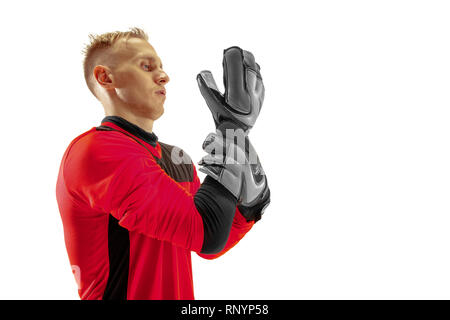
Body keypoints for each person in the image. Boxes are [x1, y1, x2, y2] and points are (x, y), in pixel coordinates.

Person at [55, 27, 270, 300]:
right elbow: (207, 231)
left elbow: (207, 245)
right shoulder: (94, 153)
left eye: (161, 67)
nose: (164, 76)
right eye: (146, 66)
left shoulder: (176, 159)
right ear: (105, 77)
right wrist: (232, 130)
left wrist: (248, 208)